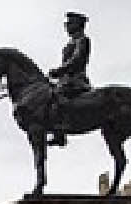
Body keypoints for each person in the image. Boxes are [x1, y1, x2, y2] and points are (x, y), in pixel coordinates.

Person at [46, 11, 91, 147]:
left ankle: (60, 132)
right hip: (65, 80)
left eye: (69, 23)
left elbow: (77, 60)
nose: (66, 26)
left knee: (56, 96)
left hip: (76, 80)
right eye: (66, 24)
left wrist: (59, 70)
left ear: (78, 25)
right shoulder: (70, 43)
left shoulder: (82, 40)